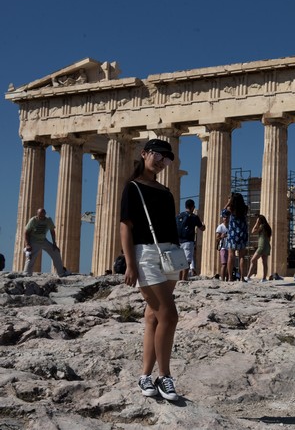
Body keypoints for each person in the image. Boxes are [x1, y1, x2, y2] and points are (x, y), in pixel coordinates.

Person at [119, 138, 180, 401]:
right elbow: (126, 226)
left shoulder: (166, 191)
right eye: (158, 156)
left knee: (154, 317)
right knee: (170, 315)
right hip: (145, 256)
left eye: (167, 159)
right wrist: (130, 263)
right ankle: (164, 376)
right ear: (144, 154)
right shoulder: (132, 188)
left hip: (170, 256)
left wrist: (181, 261)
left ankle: (145, 375)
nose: (162, 162)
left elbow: (171, 228)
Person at [23, 208, 71, 277]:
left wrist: (54, 243)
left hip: (43, 240)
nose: (41, 217)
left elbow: (52, 231)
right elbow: (26, 232)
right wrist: (27, 244)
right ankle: (26, 273)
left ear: (45, 214)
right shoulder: (33, 220)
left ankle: (61, 272)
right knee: (31, 256)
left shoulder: (48, 220)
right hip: (34, 241)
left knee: (56, 252)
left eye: (43, 215)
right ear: (37, 214)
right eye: (40, 216)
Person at [176, 199, 205, 281]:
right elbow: (202, 228)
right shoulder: (194, 217)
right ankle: (184, 279)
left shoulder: (178, 216)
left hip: (178, 241)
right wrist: (203, 224)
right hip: (188, 241)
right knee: (187, 261)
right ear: (192, 207)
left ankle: (179, 279)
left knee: (180, 261)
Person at [224, 193, 249, 282]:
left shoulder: (231, 208)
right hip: (242, 234)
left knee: (231, 256)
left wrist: (228, 203)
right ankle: (242, 277)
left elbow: (223, 213)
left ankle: (230, 277)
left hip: (233, 234)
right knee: (242, 256)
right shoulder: (245, 208)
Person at [246, 215, 272, 282]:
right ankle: (264, 278)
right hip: (267, 246)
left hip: (262, 246)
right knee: (264, 262)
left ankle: (248, 276)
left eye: (258, 220)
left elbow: (253, 231)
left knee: (253, 260)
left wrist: (256, 223)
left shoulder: (262, 226)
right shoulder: (268, 227)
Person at [215, 209, 230, 281]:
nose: (226, 218)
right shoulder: (220, 227)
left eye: (227, 217)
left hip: (230, 247)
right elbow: (217, 239)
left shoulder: (231, 226)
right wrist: (221, 236)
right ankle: (222, 279)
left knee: (229, 264)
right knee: (224, 264)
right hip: (223, 247)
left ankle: (228, 278)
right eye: (224, 217)